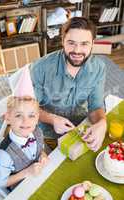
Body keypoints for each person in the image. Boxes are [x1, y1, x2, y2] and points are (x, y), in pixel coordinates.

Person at [30, 17, 107, 152]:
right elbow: (28, 109)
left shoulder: (99, 68)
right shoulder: (40, 68)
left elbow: (96, 106)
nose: (77, 50)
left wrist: (102, 123)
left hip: (81, 128)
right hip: (46, 134)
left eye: (84, 44)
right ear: (62, 41)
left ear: (92, 43)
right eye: (71, 43)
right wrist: (52, 119)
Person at [0, 66, 49, 191]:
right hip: (21, 189)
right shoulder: (4, 154)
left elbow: (41, 150)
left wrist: (43, 156)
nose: (26, 121)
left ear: (37, 117)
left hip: (40, 178)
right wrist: (27, 172)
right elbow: (0, 183)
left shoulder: (37, 132)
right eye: (18, 115)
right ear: (7, 118)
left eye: (31, 115)